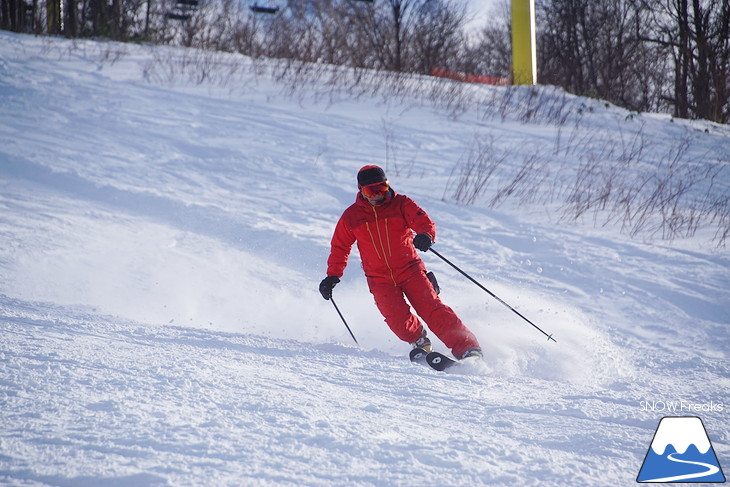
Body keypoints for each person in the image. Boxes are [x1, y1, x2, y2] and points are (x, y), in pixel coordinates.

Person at [319, 165, 482, 360]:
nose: (378, 195)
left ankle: (467, 348)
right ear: (361, 190)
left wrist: (425, 235)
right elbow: (340, 247)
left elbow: (424, 222)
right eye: (371, 191)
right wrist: (332, 276)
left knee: (432, 309)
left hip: (410, 269)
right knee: (396, 318)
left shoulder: (401, 204)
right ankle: (420, 342)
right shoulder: (352, 216)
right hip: (379, 278)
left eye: (382, 188)